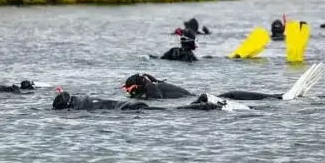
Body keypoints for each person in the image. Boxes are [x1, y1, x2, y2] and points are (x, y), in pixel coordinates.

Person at [122, 73, 288, 101]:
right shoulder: (156, 85)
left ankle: (277, 97)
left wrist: (145, 82)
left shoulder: (153, 88)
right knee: (232, 95)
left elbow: (156, 99)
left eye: (129, 89)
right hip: (203, 97)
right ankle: (277, 96)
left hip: (205, 98)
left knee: (232, 95)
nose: (128, 92)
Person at [52, 89, 251, 111]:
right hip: (130, 108)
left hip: (131, 109)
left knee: (174, 112)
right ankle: (204, 103)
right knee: (173, 111)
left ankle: (206, 104)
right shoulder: (84, 99)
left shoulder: (81, 106)